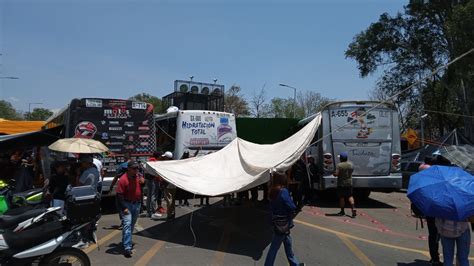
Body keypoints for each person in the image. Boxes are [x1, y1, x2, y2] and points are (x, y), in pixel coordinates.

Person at [264, 172, 303, 266]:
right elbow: (291, 206)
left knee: (288, 244)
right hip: (283, 223)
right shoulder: (283, 191)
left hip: (276, 222)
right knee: (274, 248)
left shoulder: (272, 190)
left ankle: (294, 264)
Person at [116, 161, 145, 258]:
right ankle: (127, 247)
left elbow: (140, 189)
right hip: (127, 204)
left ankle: (127, 241)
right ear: (129, 169)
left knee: (131, 225)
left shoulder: (138, 176)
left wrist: (143, 182)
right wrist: (124, 207)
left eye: (137, 168)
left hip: (136, 204)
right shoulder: (123, 180)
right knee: (127, 225)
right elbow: (119, 195)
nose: (136, 170)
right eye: (134, 168)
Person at [333, 152, 356, 218]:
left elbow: (336, 174)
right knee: (350, 196)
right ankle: (353, 208)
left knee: (342, 197)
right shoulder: (351, 164)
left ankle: (342, 211)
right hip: (349, 183)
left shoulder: (339, 165)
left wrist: (334, 173)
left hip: (341, 184)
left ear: (341, 158)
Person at [161, 151, 176, 220]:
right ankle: (172, 213)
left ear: (167, 157)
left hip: (168, 184)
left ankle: (169, 215)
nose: (163, 158)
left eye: (165, 157)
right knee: (172, 200)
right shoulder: (174, 163)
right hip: (174, 183)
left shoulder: (166, 164)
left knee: (169, 200)